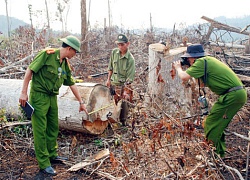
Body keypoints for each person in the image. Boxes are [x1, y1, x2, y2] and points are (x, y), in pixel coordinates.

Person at [19, 35, 88, 176]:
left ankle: (51, 155)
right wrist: (23, 92)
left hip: (52, 97)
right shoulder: (47, 55)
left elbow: (71, 83)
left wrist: (81, 102)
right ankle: (44, 163)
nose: (75, 55)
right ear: (69, 49)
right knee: (40, 129)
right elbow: (30, 71)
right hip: (39, 96)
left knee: (52, 126)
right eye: (75, 52)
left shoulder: (64, 64)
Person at [172, 44, 247, 157]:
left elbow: (183, 77)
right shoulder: (207, 61)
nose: (187, 60)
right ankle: (219, 153)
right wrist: (191, 69)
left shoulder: (201, 62)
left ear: (193, 57)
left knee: (210, 122)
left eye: (188, 58)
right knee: (218, 123)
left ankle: (214, 154)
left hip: (233, 95)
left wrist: (178, 68)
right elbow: (201, 84)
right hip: (235, 94)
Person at [106, 34, 135, 125]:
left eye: (122, 45)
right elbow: (110, 67)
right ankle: (110, 121)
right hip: (113, 83)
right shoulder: (114, 52)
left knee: (124, 104)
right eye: (118, 45)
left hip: (123, 84)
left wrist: (126, 90)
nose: (120, 47)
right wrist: (108, 79)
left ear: (127, 44)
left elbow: (130, 78)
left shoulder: (130, 59)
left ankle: (123, 123)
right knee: (111, 103)